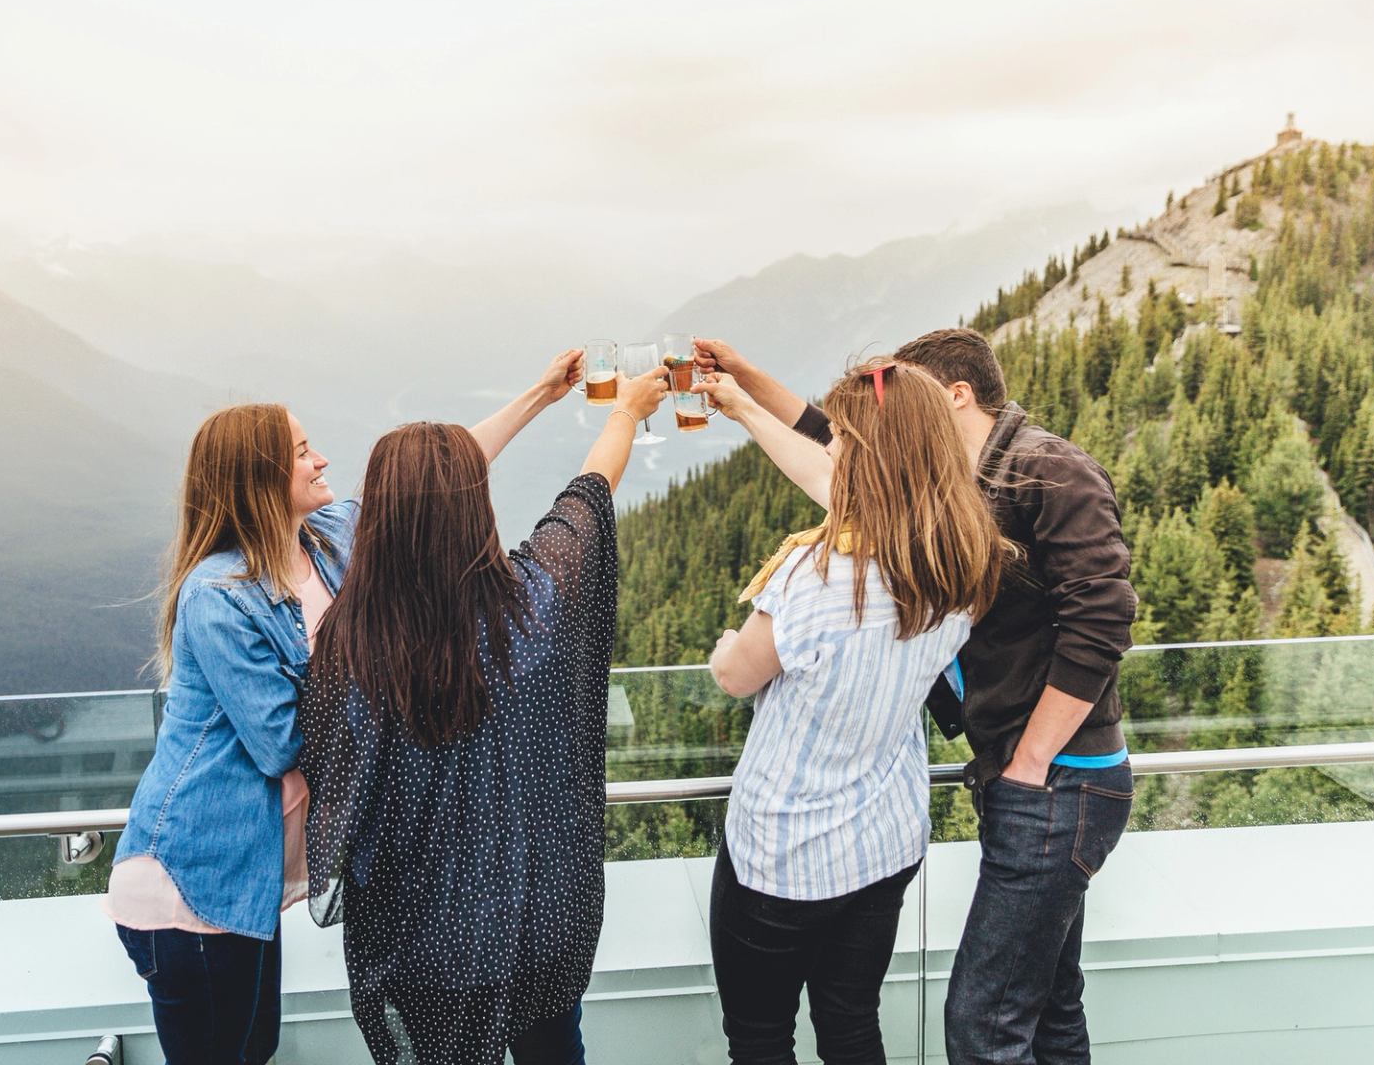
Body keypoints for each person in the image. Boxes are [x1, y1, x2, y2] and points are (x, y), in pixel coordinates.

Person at [106, 351, 589, 1065]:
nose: (321, 458)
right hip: (192, 882)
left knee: (254, 1046)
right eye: (302, 451)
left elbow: (437, 480)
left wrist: (542, 395)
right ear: (260, 478)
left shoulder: (325, 538)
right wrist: (415, 710)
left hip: (245, 882)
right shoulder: (217, 597)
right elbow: (281, 742)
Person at [698, 329, 1137, 1065]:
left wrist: (1029, 763)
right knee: (1049, 1004)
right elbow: (841, 452)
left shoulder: (1047, 471)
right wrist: (746, 390)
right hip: (1002, 789)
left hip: (1058, 781)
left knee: (982, 1026)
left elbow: (1103, 621)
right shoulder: (954, 524)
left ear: (954, 397)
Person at [302, 364, 669, 1065]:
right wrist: (625, 412)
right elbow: (586, 499)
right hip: (537, 923)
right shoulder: (532, 605)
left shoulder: (348, 643)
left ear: (376, 515)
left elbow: (329, 771)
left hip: (420, 940)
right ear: (475, 511)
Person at [702, 360, 1008, 1065]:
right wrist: (745, 408)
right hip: (882, 844)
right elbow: (841, 489)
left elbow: (735, 677)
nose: (830, 448)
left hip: (784, 855)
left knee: (759, 1035)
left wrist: (726, 642)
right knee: (848, 1022)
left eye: (839, 437)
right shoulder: (965, 554)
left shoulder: (813, 581)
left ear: (871, 458)